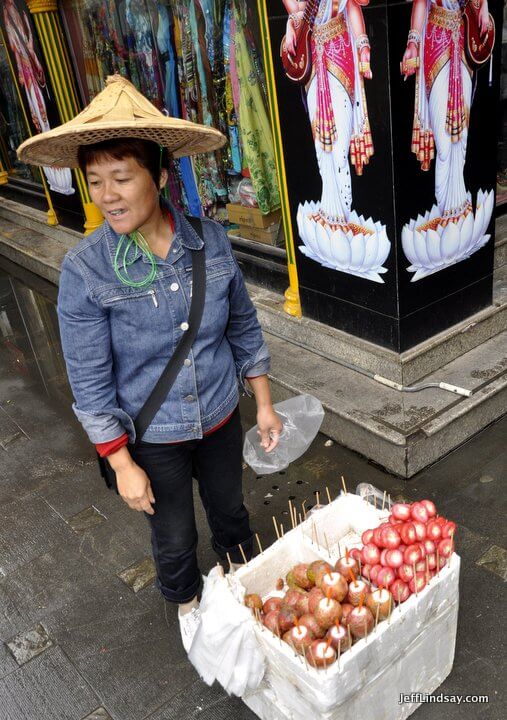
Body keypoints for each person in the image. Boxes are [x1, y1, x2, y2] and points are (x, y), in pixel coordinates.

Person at [17, 75, 283, 652]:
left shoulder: (209, 242)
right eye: (94, 182)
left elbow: (241, 325)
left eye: (120, 177)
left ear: (159, 177)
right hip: (152, 436)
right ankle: (189, 609)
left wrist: (262, 404)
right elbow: (88, 381)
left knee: (232, 513)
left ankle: (246, 587)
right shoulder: (87, 271)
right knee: (175, 536)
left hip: (216, 416)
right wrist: (120, 464)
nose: (106, 195)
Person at [282, 1, 390, 284]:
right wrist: (290, 29)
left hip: (340, 56)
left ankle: (343, 214)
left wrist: (363, 46)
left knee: (339, 148)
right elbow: (296, 13)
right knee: (322, 147)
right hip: (312, 63)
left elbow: (352, 9)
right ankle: (332, 216)